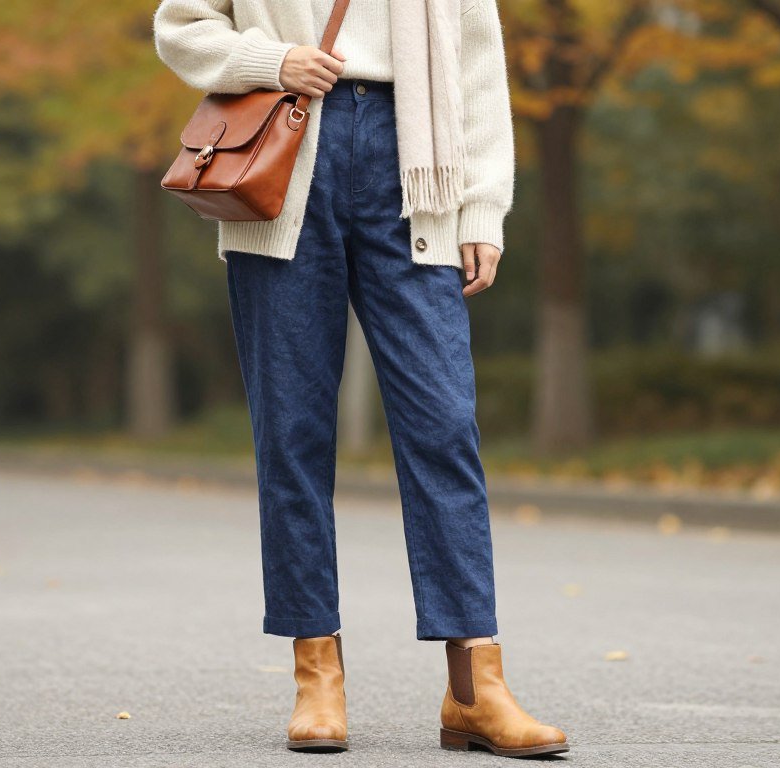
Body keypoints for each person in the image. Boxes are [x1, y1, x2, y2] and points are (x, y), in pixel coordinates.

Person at [152, 0, 569, 758]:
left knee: (444, 425)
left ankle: (475, 686)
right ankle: (317, 674)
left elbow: (477, 64)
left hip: (417, 162)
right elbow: (180, 25)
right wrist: (271, 62)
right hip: (286, 151)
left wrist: (482, 209)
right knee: (292, 433)